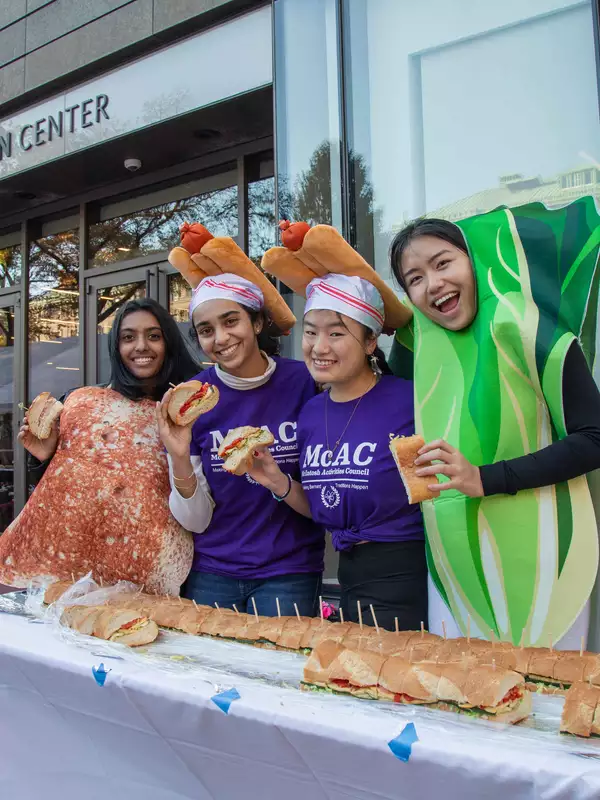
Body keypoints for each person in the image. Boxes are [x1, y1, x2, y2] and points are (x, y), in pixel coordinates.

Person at [388, 203, 600, 648]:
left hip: (545, 561)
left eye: (443, 263)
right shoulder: (416, 345)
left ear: (474, 259)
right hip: (451, 567)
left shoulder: (528, 326)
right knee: (463, 704)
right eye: (415, 279)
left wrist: (483, 478)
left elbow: (594, 438)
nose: (434, 284)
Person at [246, 271, 428, 632]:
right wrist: (276, 481)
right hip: (348, 572)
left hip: (404, 572)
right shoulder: (312, 411)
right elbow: (320, 508)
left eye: (336, 333)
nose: (319, 346)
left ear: (370, 342)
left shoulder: (409, 400)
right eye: (311, 331)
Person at [157, 253, 324, 617]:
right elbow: (195, 520)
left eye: (231, 321)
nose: (221, 338)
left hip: (290, 569)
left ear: (258, 321)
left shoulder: (305, 382)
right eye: (206, 330)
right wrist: (180, 457)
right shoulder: (191, 402)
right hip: (213, 571)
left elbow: (325, 488)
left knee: (278, 672)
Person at [0, 298, 199, 593]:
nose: (141, 346)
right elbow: (60, 501)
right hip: (74, 567)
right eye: (128, 337)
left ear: (169, 342)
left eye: (153, 336)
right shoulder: (79, 402)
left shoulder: (188, 412)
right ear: (116, 348)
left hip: (152, 566)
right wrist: (45, 459)